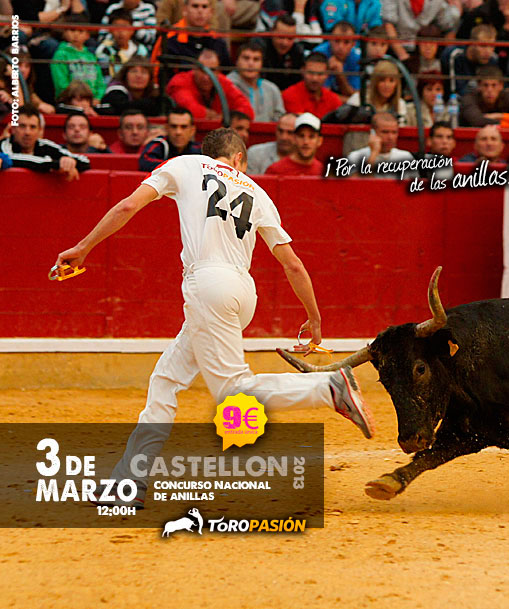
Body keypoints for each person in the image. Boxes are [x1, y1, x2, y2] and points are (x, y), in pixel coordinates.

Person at [55, 127, 374, 507]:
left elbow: (127, 207)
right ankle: (130, 481)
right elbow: (292, 264)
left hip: (208, 285)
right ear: (239, 158)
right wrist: (314, 318)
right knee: (166, 380)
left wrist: (83, 246)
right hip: (243, 292)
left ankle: (328, 388)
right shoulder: (257, 190)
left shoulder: (185, 164)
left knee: (232, 391)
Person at [0, 104, 90, 180]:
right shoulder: (4, 145)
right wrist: (55, 165)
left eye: (33, 127)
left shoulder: (44, 145)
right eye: (22, 126)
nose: (27, 132)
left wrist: (70, 163)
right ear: (13, 129)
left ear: (39, 130)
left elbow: (84, 161)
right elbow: (12, 159)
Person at [166, 49, 255, 121]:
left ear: (219, 71)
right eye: (202, 70)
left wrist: (226, 118)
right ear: (194, 69)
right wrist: (219, 117)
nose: (206, 77)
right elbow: (191, 110)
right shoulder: (180, 81)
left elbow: (247, 111)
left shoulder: (223, 81)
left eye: (212, 70)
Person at [153, 0, 232, 74]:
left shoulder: (217, 40)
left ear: (211, 12)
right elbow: (157, 74)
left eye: (204, 7)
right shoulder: (169, 39)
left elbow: (227, 74)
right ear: (184, 10)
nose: (200, 11)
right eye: (195, 6)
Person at [459, 65, 509, 129]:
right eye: (485, 85)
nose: (489, 90)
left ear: (501, 86)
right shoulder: (469, 99)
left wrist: (500, 116)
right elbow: (478, 121)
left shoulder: (506, 97)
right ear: (479, 86)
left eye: (494, 85)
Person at [382, 0, 462, 63]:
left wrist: (455, 11)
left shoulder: (437, 2)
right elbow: (388, 23)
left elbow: (446, 25)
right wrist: (402, 54)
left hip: (423, 53)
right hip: (397, 49)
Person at [51, 14, 106, 101]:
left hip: (92, 101)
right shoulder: (60, 55)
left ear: (87, 35)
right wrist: (78, 99)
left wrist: (97, 98)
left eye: (80, 31)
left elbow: (100, 83)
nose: (76, 34)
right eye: (72, 30)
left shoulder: (91, 56)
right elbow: (61, 84)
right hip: (69, 100)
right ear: (64, 32)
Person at [228, 41, 286, 123]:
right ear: (236, 61)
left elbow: (280, 117)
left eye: (256, 59)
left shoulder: (272, 88)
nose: (251, 64)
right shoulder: (227, 85)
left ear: (262, 64)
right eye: (246, 58)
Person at [98, 56, 174, 117]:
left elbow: (169, 107)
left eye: (144, 72)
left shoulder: (156, 91)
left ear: (150, 78)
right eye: (134, 71)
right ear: (125, 75)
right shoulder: (115, 91)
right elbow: (122, 108)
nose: (138, 76)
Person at [345, 112, 415, 177]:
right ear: (372, 132)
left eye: (394, 132)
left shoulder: (406, 157)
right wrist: (374, 154)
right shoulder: (356, 156)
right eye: (385, 132)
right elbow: (355, 184)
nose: (390, 137)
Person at [456, 0, 509, 66]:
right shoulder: (481, 13)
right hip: (470, 59)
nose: (506, 1)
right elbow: (461, 39)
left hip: (503, 60)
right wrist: (505, 30)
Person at [441, 23, 499, 98]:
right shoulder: (455, 55)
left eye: (492, 46)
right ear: (472, 43)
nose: (488, 51)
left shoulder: (493, 58)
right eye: (483, 46)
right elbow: (455, 92)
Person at [138, 107, 202, 171]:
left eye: (184, 127)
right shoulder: (160, 143)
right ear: (166, 128)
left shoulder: (199, 148)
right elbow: (145, 161)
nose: (178, 132)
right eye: (173, 126)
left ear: (192, 130)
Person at [344, 60, 408, 124]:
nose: (387, 85)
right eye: (382, 80)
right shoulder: (358, 99)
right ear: (375, 82)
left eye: (391, 81)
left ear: (397, 84)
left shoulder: (400, 104)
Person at [282, 53, 344, 117]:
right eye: (310, 73)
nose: (315, 79)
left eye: (320, 74)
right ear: (302, 71)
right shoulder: (290, 95)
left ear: (327, 74)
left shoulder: (333, 100)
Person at [313, 20, 362, 101]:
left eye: (346, 42)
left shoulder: (356, 59)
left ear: (353, 44)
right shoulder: (318, 54)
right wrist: (349, 100)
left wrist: (340, 75)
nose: (340, 47)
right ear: (330, 39)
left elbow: (354, 94)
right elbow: (320, 95)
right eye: (337, 41)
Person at [95, 8, 149, 80]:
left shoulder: (141, 50)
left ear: (132, 30)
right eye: (116, 27)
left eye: (125, 27)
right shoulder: (104, 50)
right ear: (110, 30)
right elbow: (105, 78)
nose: (120, 31)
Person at [259, 14, 306, 91]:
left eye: (290, 38)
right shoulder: (259, 47)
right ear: (272, 32)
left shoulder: (297, 51)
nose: (285, 43)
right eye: (281, 37)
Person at [319, 0, 383, 33]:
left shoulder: (374, 2)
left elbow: (375, 27)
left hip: (362, 44)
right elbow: (334, 29)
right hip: (335, 44)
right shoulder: (332, 1)